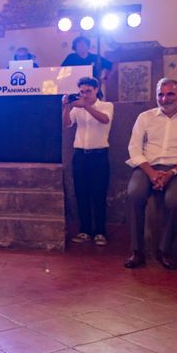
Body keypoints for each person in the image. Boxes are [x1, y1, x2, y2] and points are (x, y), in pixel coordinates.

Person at [124, 78, 177, 270]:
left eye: (170, 94)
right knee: (134, 194)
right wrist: (151, 172)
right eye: (160, 94)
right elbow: (134, 148)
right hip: (147, 166)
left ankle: (165, 250)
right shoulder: (145, 117)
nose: (165, 99)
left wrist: (171, 173)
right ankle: (137, 251)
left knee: (174, 202)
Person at [62, 77, 114, 246]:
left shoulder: (106, 106)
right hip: (80, 155)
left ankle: (100, 232)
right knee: (81, 193)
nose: (84, 95)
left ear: (96, 90)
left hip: (99, 155)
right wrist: (66, 106)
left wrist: (86, 106)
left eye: (88, 91)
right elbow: (67, 124)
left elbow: (105, 119)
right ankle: (84, 230)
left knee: (98, 194)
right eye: (81, 92)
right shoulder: (78, 108)